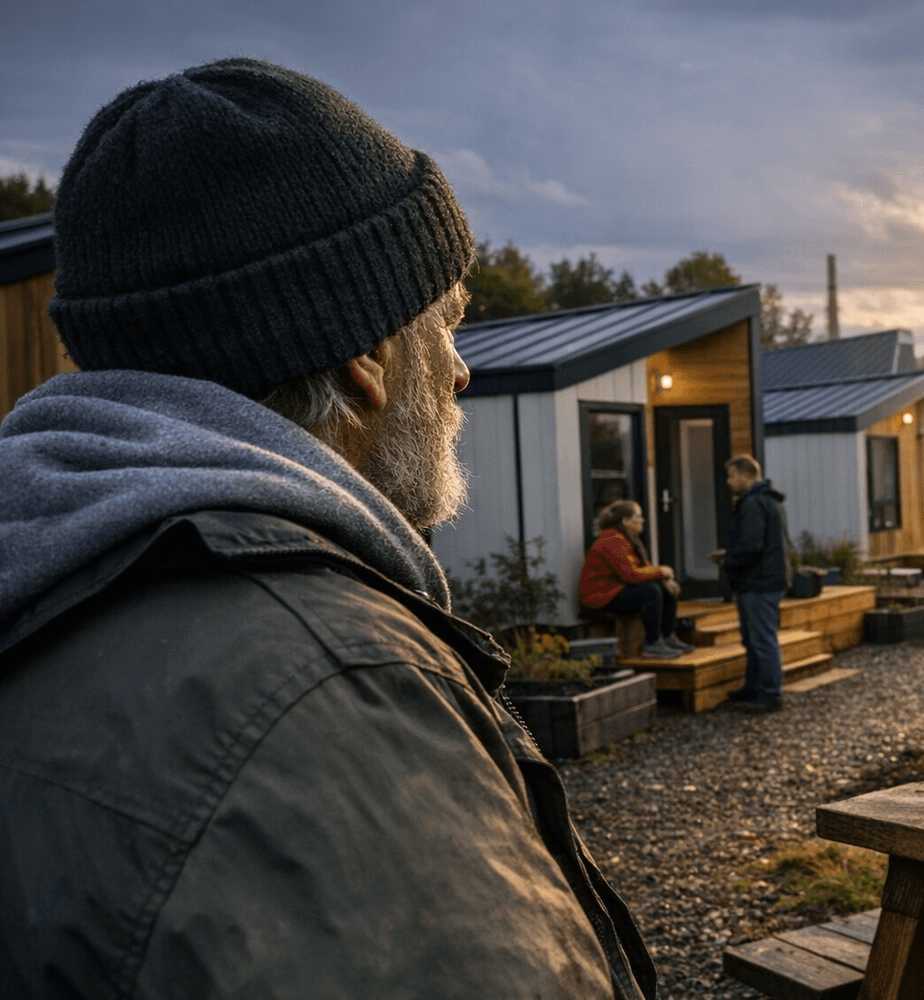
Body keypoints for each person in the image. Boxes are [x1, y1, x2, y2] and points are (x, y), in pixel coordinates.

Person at [0, 59, 653, 999]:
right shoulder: (334, 685)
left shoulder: (50, 591)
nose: (462, 373)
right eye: (449, 325)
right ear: (366, 354)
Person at [712, 455, 791, 713]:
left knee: (762, 639)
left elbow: (751, 546)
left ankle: (769, 694)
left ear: (746, 475)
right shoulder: (769, 501)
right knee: (753, 638)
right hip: (767, 578)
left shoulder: (753, 504)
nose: (728, 482)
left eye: (732, 476)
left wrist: (728, 561)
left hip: (759, 582)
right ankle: (754, 687)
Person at [579, 500, 692, 657]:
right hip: (601, 598)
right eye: (638, 516)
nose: (642, 520)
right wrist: (661, 572)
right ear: (625, 521)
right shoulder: (612, 540)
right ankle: (652, 644)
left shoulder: (628, 539)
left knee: (663, 587)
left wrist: (664, 579)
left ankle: (668, 636)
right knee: (651, 591)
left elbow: (644, 568)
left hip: (615, 590)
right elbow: (630, 575)